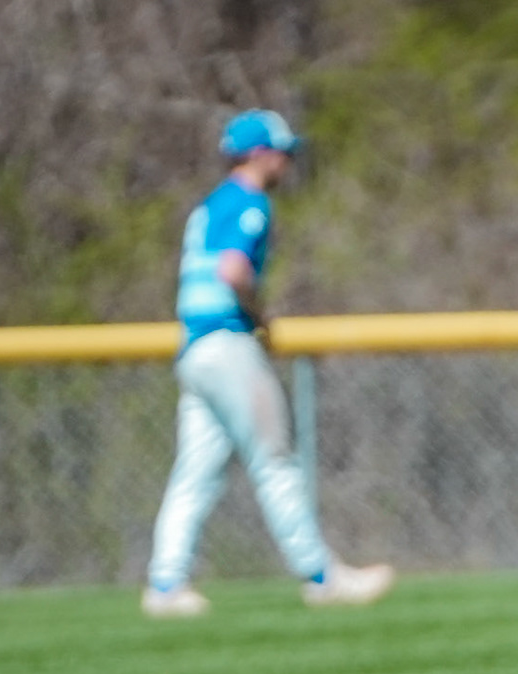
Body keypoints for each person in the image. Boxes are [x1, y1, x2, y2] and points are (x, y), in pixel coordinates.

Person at [142, 110, 393, 617]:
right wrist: (261, 317)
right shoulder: (249, 202)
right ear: (259, 154)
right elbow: (233, 269)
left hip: (194, 348)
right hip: (227, 344)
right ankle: (321, 576)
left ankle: (165, 584)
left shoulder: (211, 204)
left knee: (196, 471)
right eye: (282, 152)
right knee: (275, 461)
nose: (288, 161)